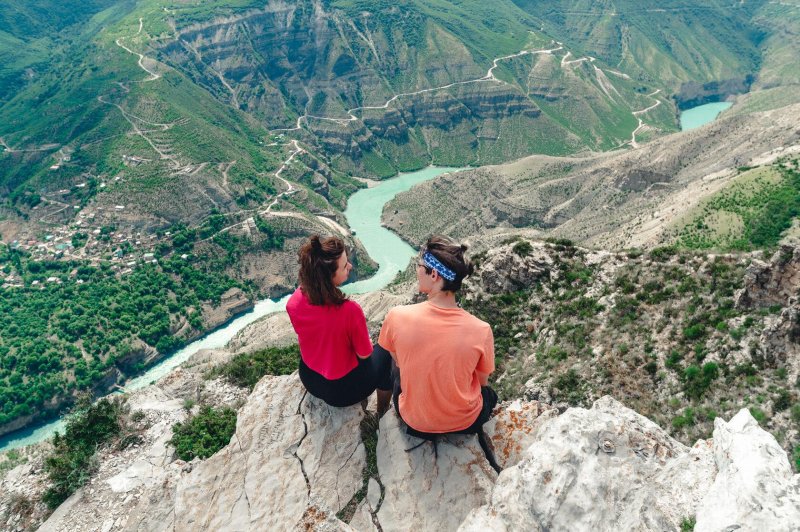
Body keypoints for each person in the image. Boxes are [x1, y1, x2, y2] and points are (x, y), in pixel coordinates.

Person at [378, 235, 497, 437]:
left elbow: (399, 363)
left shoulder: (397, 316)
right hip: (465, 422)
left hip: (415, 422)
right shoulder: (482, 330)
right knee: (490, 395)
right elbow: (482, 381)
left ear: (434, 275)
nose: (416, 270)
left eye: (419, 265)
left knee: (391, 360)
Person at [286, 235, 392, 412]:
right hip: (340, 392)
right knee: (387, 353)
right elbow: (365, 355)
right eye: (344, 266)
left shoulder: (294, 301)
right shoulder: (350, 311)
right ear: (328, 277)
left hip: (309, 378)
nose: (350, 266)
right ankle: (382, 412)